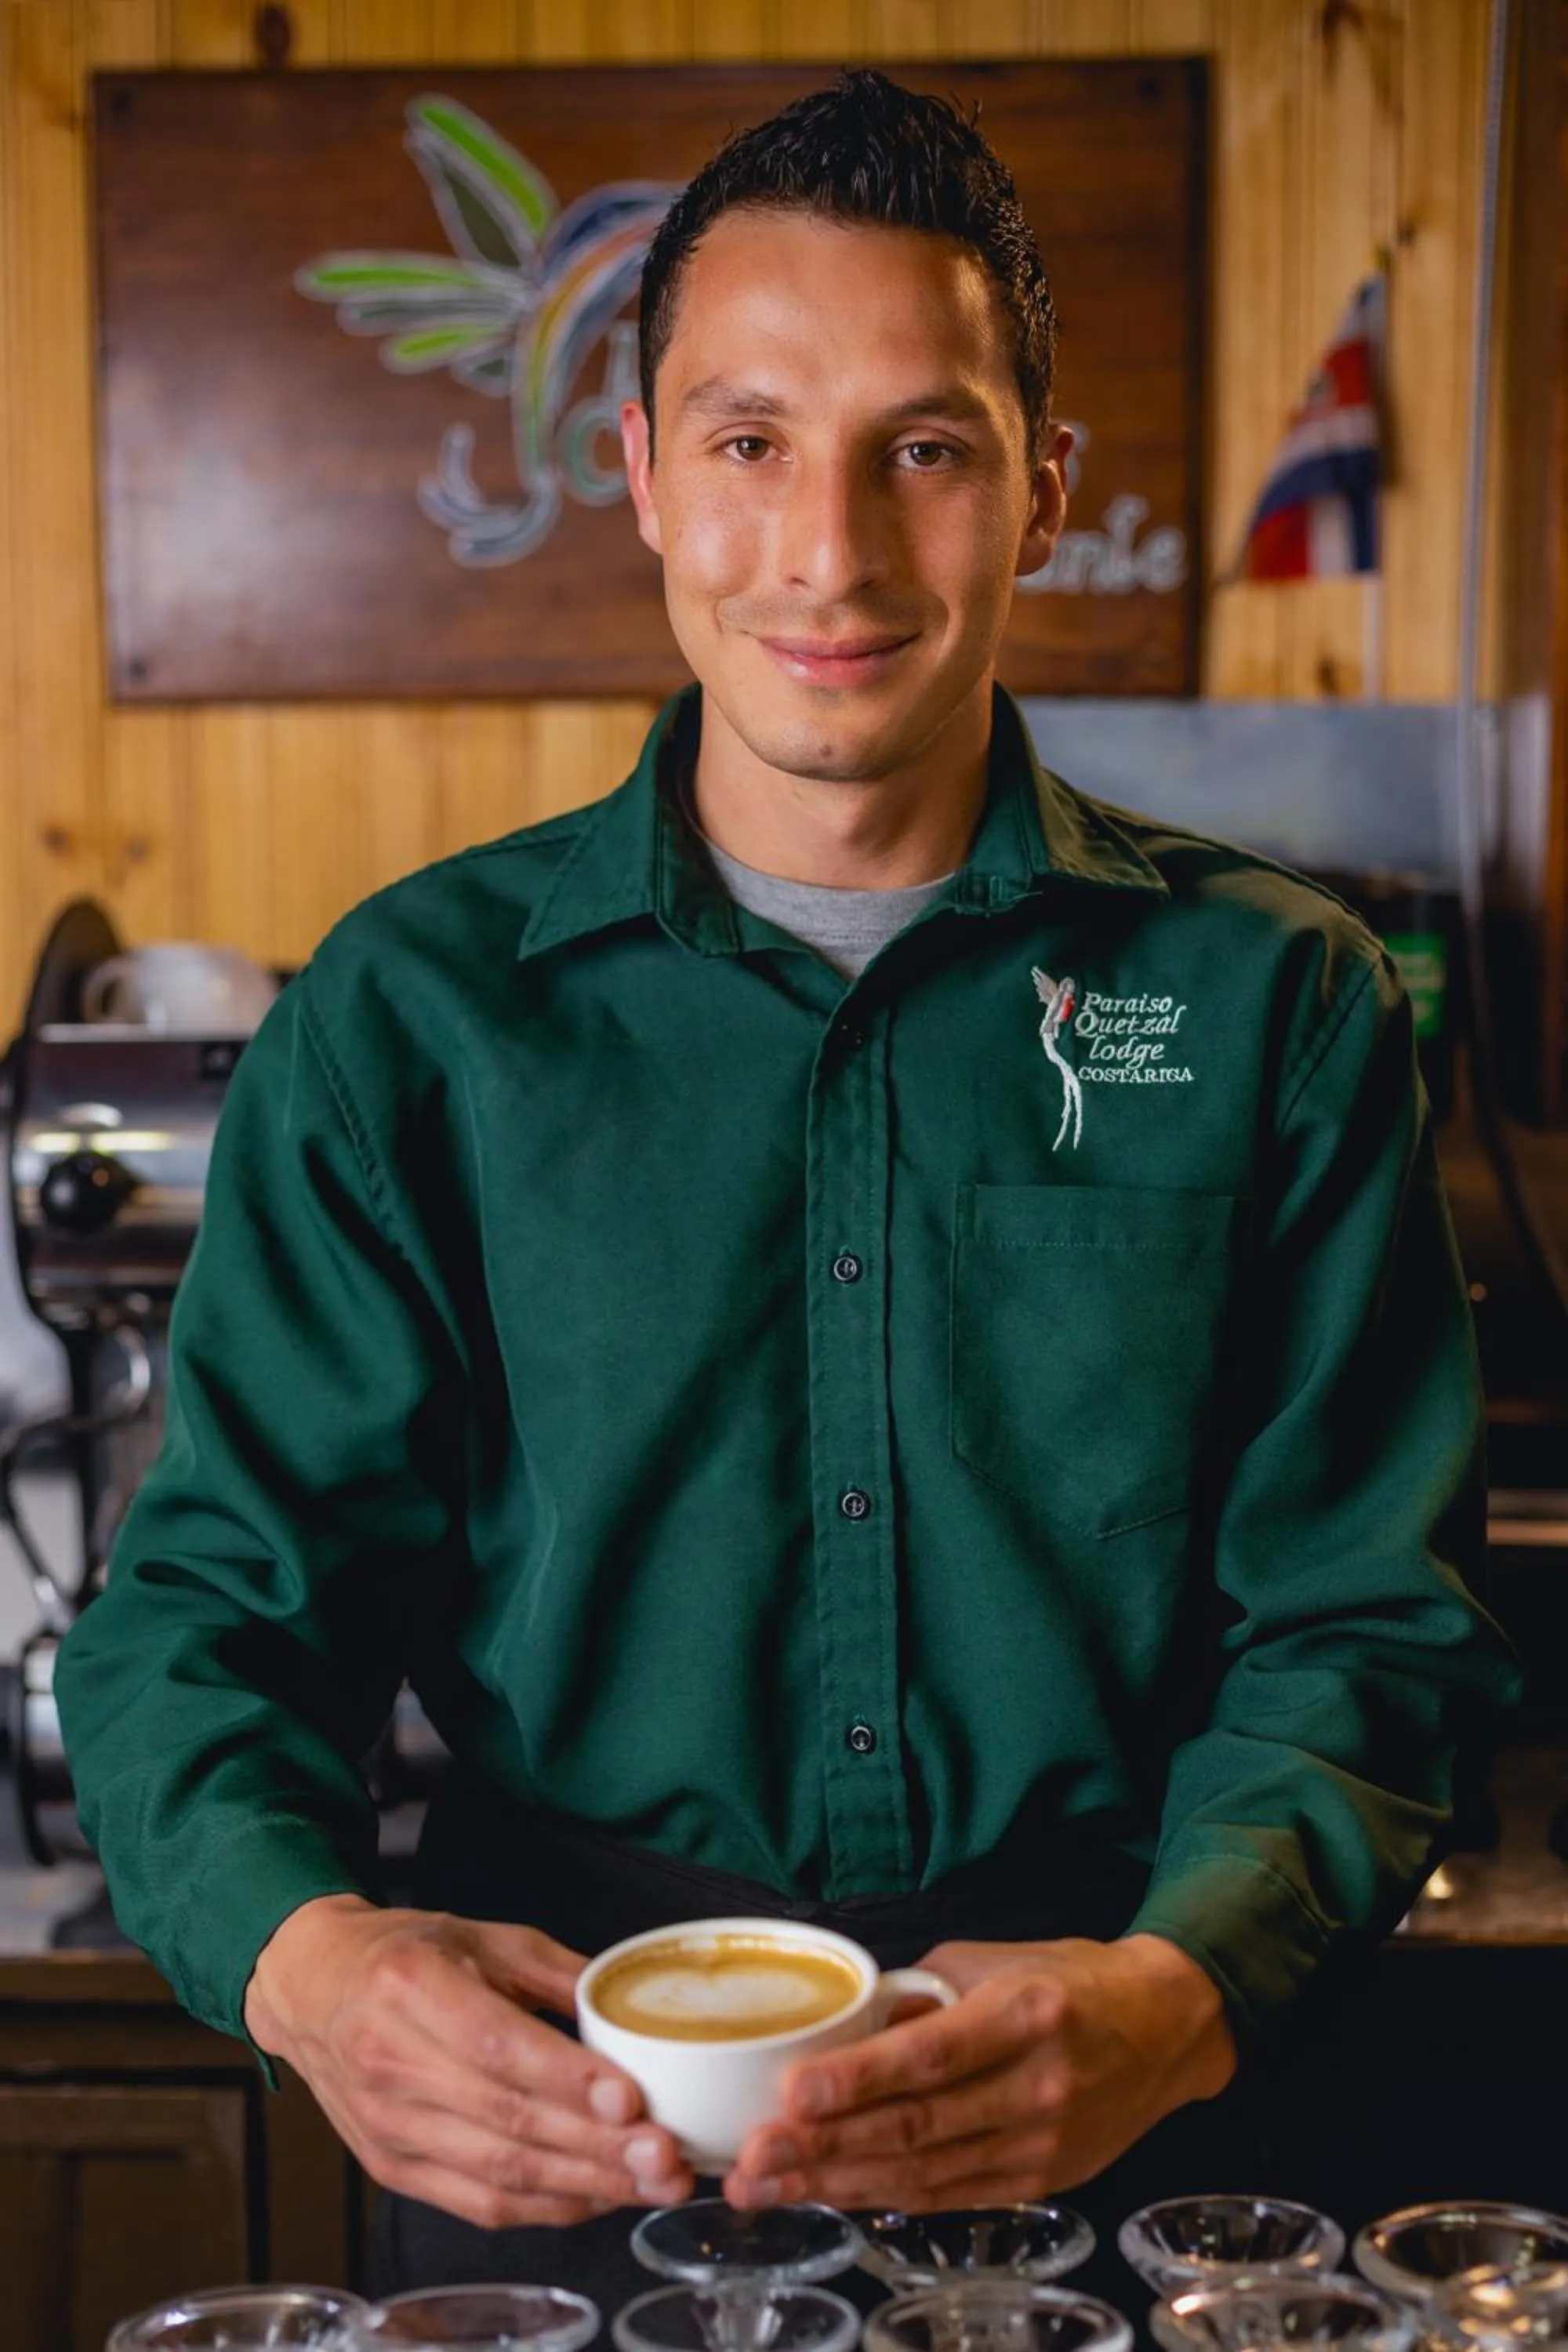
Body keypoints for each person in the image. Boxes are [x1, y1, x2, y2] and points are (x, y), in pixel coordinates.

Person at [57, 67, 1514, 2303]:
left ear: (1039, 491)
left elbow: (1367, 1622)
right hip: (557, 2126)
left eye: (921, 449)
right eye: (747, 443)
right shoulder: (408, 1018)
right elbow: (212, 1620)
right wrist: (310, 1961)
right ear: (640, 477)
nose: (828, 553)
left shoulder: (1281, 1004)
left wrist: (1185, 1981)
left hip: (1124, 2104)